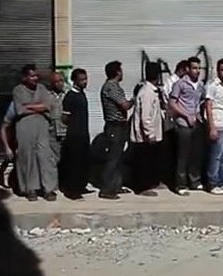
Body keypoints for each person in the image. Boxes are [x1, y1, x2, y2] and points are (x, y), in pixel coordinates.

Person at [13, 65, 56, 201]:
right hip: (25, 126)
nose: (35, 78)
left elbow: (47, 105)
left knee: (45, 156)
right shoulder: (18, 90)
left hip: (41, 126)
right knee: (27, 157)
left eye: (36, 75)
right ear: (25, 77)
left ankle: (47, 189)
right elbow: (20, 110)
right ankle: (30, 189)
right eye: (32, 76)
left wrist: (30, 106)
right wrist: (38, 107)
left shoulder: (42, 89)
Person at [169, 56, 205, 195]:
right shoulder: (180, 84)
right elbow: (172, 104)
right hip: (183, 124)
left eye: (198, 68)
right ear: (188, 69)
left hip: (196, 123)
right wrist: (186, 115)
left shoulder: (200, 86)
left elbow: (201, 103)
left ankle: (194, 181)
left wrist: (198, 116)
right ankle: (180, 184)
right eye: (194, 68)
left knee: (196, 154)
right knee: (183, 155)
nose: (197, 71)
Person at [99, 60, 133, 200]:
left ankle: (116, 185)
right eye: (121, 70)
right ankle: (107, 189)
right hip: (115, 126)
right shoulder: (111, 87)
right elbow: (124, 105)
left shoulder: (115, 86)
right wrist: (135, 99)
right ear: (117, 72)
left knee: (119, 158)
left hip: (120, 126)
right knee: (113, 159)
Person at [129, 62, 163, 196]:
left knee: (150, 160)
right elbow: (146, 117)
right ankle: (142, 187)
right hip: (145, 137)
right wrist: (150, 134)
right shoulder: (147, 92)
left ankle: (150, 182)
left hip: (148, 135)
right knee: (144, 161)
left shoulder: (150, 90)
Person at [205, 58, 223, 195]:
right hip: (218, 123)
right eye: (222, 70)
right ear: (217, 70)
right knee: (216, 155)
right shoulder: (212, 85)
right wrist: (212, 127)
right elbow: (208, 106)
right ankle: (212, 183)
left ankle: (222, 180)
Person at [60, 69, 91, 200]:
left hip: (83, 134)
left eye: (85, 78)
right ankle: (72, 190)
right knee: (74, 163)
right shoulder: (70, 96)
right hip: (74, 135)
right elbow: (64, 118)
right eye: (82, 79)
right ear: (75, 80)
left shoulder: (82, 94)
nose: (85, 82)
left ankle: (80, 186)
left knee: (83, 162)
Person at [1, 102, 16, 189]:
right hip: (11, 137)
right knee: (9, 158)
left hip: (15, 137)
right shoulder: (14, 106)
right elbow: (4, 128)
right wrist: (7, 147)